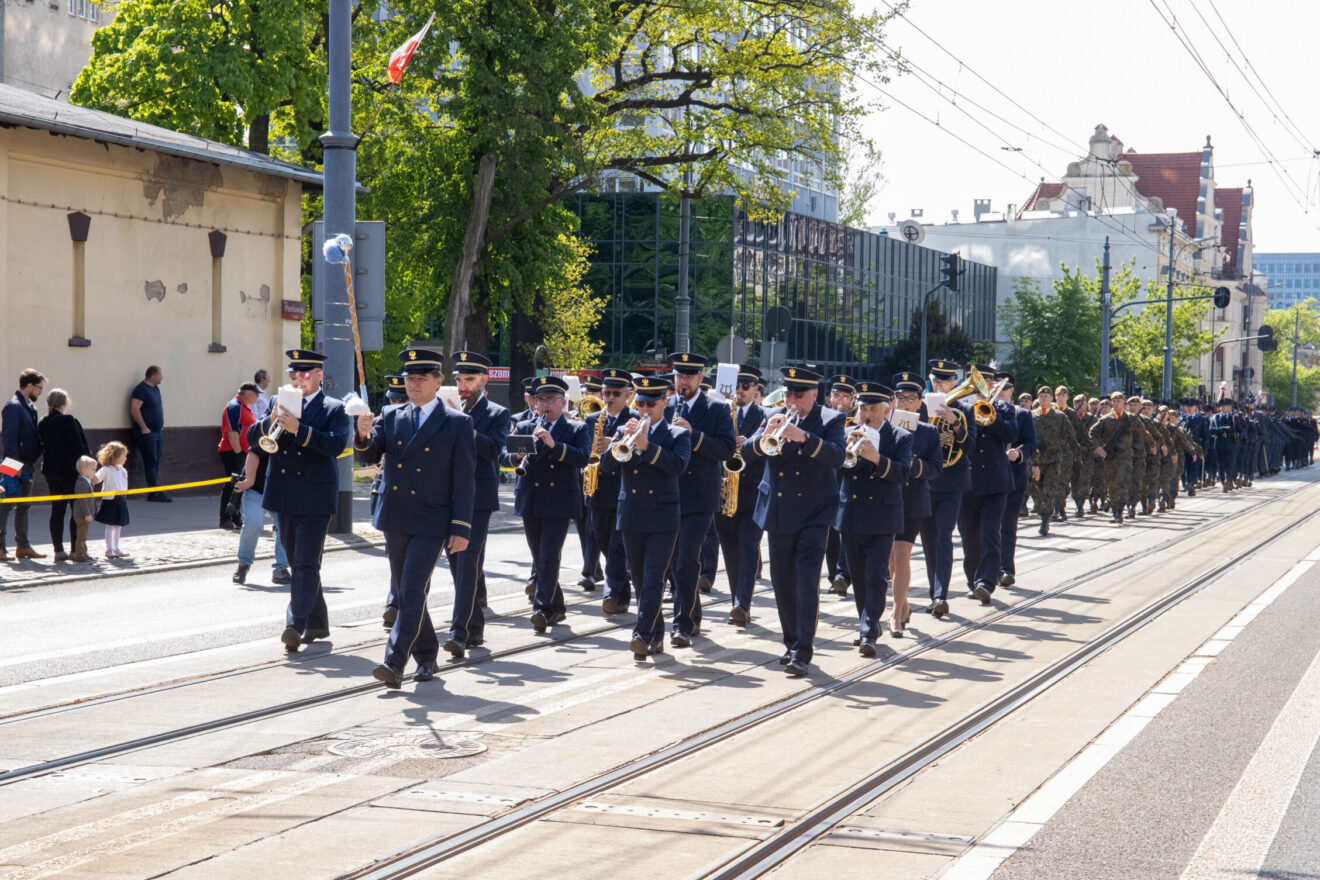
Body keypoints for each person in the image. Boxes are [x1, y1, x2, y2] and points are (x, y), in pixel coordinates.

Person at [355, 347, 475, 687]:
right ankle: (427, 654)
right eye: (410, 379)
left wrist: (461, 527)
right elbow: (369, 456)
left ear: (437, 382)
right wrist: (362, 434)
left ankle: (394, 662)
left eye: (421, 378)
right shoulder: (392, 415)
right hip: (396, 516)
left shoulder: (457, 422)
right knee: (409, 591)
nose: (413, 384)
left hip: (432, 519)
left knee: (410, 590)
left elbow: (464, 481)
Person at [742, 366, 846, 677]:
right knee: (782, 581)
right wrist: (765, 435)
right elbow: (746, 452)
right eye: (788, 394)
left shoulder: (830, 419)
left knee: (806, 581)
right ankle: (790, 642)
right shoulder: (773, 415)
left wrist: (804, 438)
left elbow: (837, 456)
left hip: (814, 512)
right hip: (778, 510)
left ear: (814, 394)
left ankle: (803, 649)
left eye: (798, 395)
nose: (791, 401)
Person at [248, 349, 352, 652]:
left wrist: (300, 430)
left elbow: (336, 444)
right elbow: (254, 439)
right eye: (293, 375)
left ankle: (294, 624)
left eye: (304, 375)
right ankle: (318, 622)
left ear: (319, 375)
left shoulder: (334, 407)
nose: (298, 380)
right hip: (284, 494)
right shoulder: (278, 403)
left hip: (316, 496)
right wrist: (271, 419)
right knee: (297, 561)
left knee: (306, 562)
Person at [600, 375, 691, 660]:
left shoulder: (677, 434)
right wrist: (621, 440)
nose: (644, 410)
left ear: (664, 402)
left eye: (650, 404)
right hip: (631, 514)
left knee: (653, 579)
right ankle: (656, 634)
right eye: (640, 404)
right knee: (640, 581)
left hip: (662, 516)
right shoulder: (624, 430)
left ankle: (641, 634)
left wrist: (648, 446)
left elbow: (678, 466)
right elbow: (606, 465)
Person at [664, 352, 736, 647]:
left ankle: (682, 623)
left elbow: (727, 449)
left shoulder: (717, 408)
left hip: (700, 496)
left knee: (687, 558)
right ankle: (692, 613)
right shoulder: (665, 405)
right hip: (669, 494)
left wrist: (693, 435)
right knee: (672, 561)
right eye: (679, 376)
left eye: (688, 376)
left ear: (700, 378)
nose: (683, 382)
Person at [510, 375, 591, 633]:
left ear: (563, 402)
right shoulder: (525, 426)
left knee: (548, 557)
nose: (544, 404)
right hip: (531, 498)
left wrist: (554, 444)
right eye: (541, 400)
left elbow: (583, 458)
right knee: (539, 556)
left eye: (550, 399)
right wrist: (517, 456)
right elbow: (504, 455)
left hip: (559, 501)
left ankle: (542, 609)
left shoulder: (576, 429)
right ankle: (557, 606)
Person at [444, 350, 509, 657]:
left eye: (469, 379)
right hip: (447, 495)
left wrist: (463, 424)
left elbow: (493, 449)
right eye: (459, 379)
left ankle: (458, 632)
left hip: (478, 498)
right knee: (457, 564)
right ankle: (474, 625)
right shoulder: (444, 409)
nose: (463, 386)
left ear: (484, 380)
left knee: (468, 562)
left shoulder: (497, 413)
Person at [837, 383, 910, 655]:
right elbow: (835, 470)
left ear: (886, 410)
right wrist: (843, 450)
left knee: (876, 575)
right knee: (858, 576)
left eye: (872, 409)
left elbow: (903, 474)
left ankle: (868, 632)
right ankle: (867, 623)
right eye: (863, 409)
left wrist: (877, 458)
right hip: (852, 513)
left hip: (882, 516)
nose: (866, 415)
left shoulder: (901, 436)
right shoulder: (847, 433)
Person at [957, 363, 1017, 606]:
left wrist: (990, 415)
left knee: (990, 533)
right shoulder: (961, 408)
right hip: (967, 481)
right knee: (969, 535)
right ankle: (973, 581)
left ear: (993, 384)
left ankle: (986, 582)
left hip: (996, 482)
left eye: (987, 382)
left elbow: (1011, 435)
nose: (983, 386)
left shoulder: (1004, 408)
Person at [715, 365, 768, 626]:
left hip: (752, 493)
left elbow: (770, 451)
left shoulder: (765, 417)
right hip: (725, 491)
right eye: (736, 386)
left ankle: (742, 604)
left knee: (748, 548)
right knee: (730, 552)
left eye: (745, 387)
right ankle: (737, 600)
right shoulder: (721, 413)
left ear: (755, 389)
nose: (740, 391)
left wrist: (750, 444)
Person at [889, 372, 941, 636]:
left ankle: (896, 614)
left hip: (912, 500)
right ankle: (905, 603)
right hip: (886, 499)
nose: (905, 403)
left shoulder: (929, 431)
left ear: (920, 403)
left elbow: (935, 468)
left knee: (902, 555)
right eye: (900, 397)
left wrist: (914, 465)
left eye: (911, 398)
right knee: (890, 561)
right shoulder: (885, 427)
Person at [919, 359, 972, 619]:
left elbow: (970, 447)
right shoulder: (920, 409)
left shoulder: (964, 410)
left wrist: (955, 424)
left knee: (943, 537)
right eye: (935, 381)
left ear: (954, 383)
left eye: (944, 381)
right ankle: (934, 593)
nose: (939, 385)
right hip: (926, 483)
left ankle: (941, 595)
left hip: (952, 483)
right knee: (929, 541)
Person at [584, 367, 635, 615]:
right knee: (605, 543)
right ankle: (622, 594)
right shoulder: (593, 419)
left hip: (624, 491)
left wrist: (613, 446)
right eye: (607, 393)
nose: (610, 398)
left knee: (616, 547)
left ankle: (611, 594)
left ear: (627, 395)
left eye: (616, 393)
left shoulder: (634, 419)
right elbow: (585, 451)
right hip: (598, 490)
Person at [231, 432, 292, 586]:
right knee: (253, 524)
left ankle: (281, 569)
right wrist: (249, 481)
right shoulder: (271, 432)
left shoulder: (299, 434)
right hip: (256, 489)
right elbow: (253, 454)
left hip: (280, 493)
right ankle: (243, 564)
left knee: (284, 527)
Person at [38, 388, 90, 562]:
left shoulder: (43, 422)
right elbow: (78, 447)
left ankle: (58, 550)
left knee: (57, 510)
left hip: (51, 472)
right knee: (76, 510)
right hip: (69, 472)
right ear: (65, 403)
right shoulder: (68, 420)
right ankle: (76, 550)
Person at [1, 368, 46, 559]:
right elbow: (9, 438)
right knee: (5, 505)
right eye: (39, 388)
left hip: (28, 463)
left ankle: (23, 546)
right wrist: (15, 465)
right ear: (29, 386)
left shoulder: (28, 406)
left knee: (24, 505)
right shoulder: (14, 406)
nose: (40, 392)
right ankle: (1, 547)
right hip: (13, 464)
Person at [999, 380, 1038, 586]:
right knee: (984, 528)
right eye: (995, 388)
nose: (999, 392)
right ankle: (985, 571)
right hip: (986, 478)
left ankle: (1005, 569)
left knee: (1007, 526)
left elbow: (1032, 443)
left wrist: (1019, 453)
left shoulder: (1021, 414)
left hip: (1013, 476)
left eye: (1004, 389)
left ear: (1011, 390)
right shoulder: (980, 411)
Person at [218, 383, 261, 530]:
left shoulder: (244, 407)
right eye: (256, 393)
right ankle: (225, 518)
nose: (258, 396)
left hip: (242, 452)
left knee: (239, 486)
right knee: (232, 486)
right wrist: (239, 454)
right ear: (248, 393)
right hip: (233, 452)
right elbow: (232, 432)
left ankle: (235, 517)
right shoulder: (234, 406)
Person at [1090, 391, 1134, 523]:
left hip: (1125, 457)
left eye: (1118, 401)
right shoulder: (1105, 419)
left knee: (1122, 483)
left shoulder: (1131, 419)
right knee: (1112, 485)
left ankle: (1120, 511)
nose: (1116, 404)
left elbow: (1144, 433)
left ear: (1123, 403)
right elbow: (1092, 434)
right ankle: (1115, 511)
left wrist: (1154, 445)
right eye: (1113, 401)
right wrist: (1098, 448)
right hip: (1110, 458)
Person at [130, 365, 169, 502]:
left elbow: (160, 406)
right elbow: (134, 409)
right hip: (147, 432)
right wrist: (144, 427)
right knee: (150, 459)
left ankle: (155, 489)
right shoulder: (141, 390)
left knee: (156, 459)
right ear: (153, 376)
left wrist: (161, 422)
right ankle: (153, 491)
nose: (162, 377)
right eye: (160, 375)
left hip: (157, 431)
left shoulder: (155, 389)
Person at [94, 441, 131, 558]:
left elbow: (125, 484)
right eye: (123, 456)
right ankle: (109, 549)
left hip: (120, 500)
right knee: (110, 525)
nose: (125, 458)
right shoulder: (106, 469)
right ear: (115, 456)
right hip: (110, 500)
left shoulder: (123, 470)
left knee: (118, 525)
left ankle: (116, 548)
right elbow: (96, 479)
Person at [70, 455, 98, 562]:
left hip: (85, 514)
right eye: (93, 469)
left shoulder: (87, 481)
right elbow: (83, 500)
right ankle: (79, 555)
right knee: (82, 536)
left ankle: (84, 553)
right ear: (84, 470)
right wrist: (87, 513)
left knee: (84, 535)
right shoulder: (82, 483)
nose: (95, 472)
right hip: (82, 514)